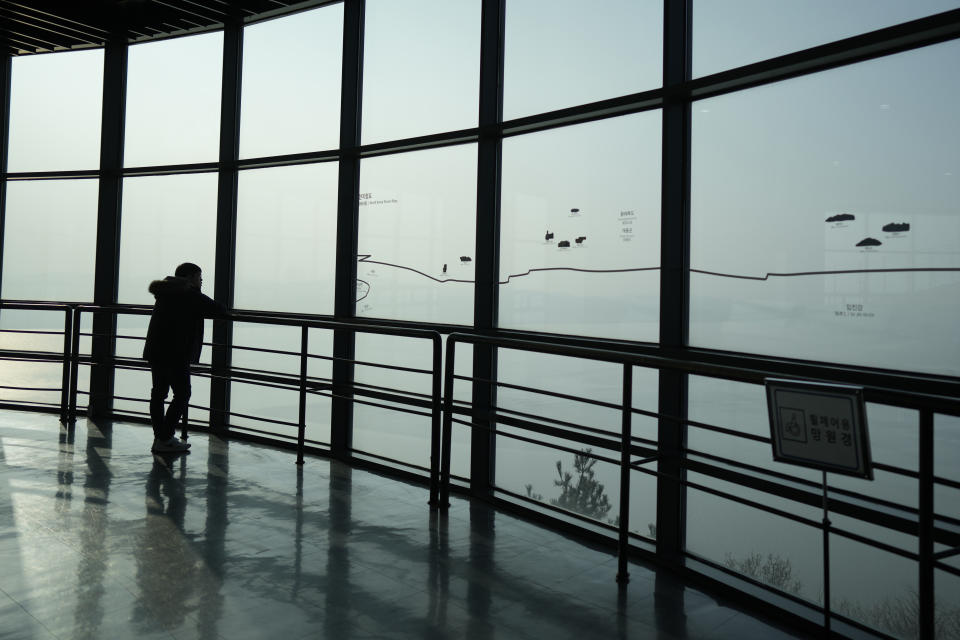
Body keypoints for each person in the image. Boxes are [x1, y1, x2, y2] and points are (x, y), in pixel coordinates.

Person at [143, 263, 229, 453]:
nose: (201, 281)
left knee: (159, 394)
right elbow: (217, 308)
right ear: (190, 278)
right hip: (175, 353)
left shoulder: (166, 292)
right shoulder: (188, 294)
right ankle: (165, 437)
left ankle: (161, 438)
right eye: (199, 277)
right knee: (182, 394)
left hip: (156, 351)